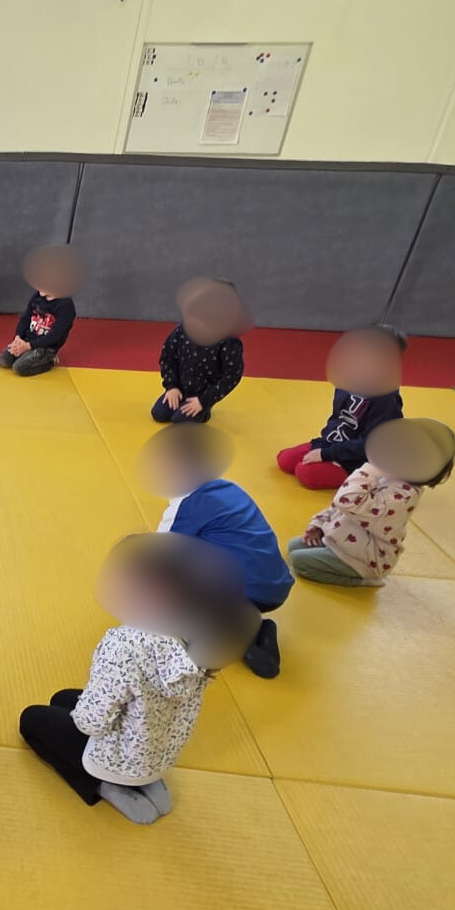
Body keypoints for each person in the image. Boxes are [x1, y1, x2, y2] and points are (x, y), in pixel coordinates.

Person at [18, 534, 258, 824]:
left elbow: (90, 722)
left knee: (32, 720)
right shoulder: (197, 635)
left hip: (113, 759)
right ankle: (150, 783)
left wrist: (84, 717)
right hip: (158, 753)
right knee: (62, 698)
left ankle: (104, 785)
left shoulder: (124, 645)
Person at [142, 423, 292, 678]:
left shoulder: (188, 502)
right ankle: (250, 626)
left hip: (247, 592)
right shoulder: (227, 487)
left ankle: (234, 633)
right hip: (274, 588)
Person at [291, 417, 455, 587]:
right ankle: (329, 549)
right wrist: (319, 523)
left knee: (299, 562)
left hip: (365, 559)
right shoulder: (386, 475)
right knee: (293, 547)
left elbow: (347, 501)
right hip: (342, 539)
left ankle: (365, 579)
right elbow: (339, 507)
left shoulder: (403, 495)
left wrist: (373, 466)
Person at [277, 325, 406, 491]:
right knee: (286, 460)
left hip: (357, 459)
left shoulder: (385, 399)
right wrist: (321, 446)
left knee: (306, 473)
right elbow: (337, 419)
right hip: (333, 445)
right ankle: (327, 458)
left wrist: (326, 455)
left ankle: (356, 476)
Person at [153, 276, 249, 424]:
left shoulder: (229, 340)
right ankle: (180, 396)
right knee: (159, 414)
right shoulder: (184, 329)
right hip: (180, 387)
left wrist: (204, 401)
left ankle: (204, 412)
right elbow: (168, 356)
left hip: (203, 393)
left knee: (180, 421)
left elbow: (231, 375)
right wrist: (171, 386)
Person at [0, 243, 81, 377]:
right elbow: (25, 318)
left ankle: (50, 360)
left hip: (45, 347)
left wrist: (28, 346)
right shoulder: (37, 297)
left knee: (19, 368)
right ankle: (25, 352)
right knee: (3, 360)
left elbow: (55, 335)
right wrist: (18, 338)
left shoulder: (65, 305)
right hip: (27, 340)